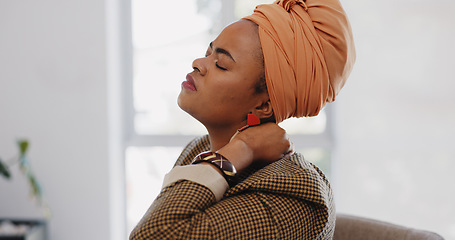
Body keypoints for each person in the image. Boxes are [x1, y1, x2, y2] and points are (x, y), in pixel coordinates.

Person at [130, 0, 355, 239]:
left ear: (263, 105)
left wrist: (241, 150)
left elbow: (152, 235)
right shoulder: (199, 148)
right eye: (208, 52)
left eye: (221, 65)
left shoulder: (295, 196)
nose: (198, 63)